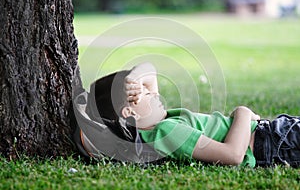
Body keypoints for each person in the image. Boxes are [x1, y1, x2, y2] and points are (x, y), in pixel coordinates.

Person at [82, 62, 300, 167]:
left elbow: (149, 69)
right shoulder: (166, 131)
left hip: (274, 137)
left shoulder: (159, 123)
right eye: (146, 93)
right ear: (130, 113)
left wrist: (134, 79)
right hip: (273, 143)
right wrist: (242, 114)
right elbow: (232, 156)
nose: (154, 93)